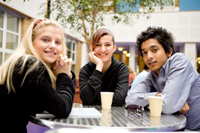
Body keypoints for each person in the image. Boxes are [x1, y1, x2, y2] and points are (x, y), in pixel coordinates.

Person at [0, 18, 75, 133]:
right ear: (31, 41)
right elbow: (62, 108)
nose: (53, 46)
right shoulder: (29, 66)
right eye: (45, 40)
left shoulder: (24, 63)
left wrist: (66, 75)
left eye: (58, 42)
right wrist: (64, 75)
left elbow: (53, 101)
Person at [125, 27, 200, 130]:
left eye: (154, 50)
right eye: (144, 53)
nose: (149, 56)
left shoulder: (179, 61)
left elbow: (168, 106)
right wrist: (157, 96)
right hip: (173, 128)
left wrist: (150, 101)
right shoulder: (152, 75)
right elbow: (130, 100)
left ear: (168, 52)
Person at [79, 28, 129, 106]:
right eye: (98, 45)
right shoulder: (85, 70)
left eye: (107, 45)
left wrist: (94, 99)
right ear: (92, 48)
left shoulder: (122, 69)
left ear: (114, 48)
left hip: (117, 116)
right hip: (91, 116)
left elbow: (119, 99)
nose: (103, 49)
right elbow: (86, 99)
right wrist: (99, 66)